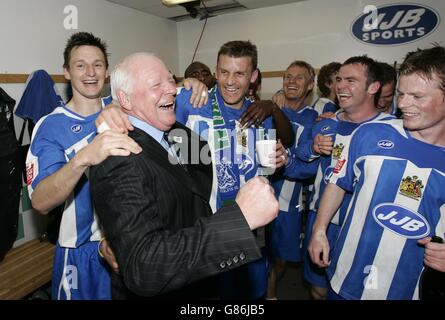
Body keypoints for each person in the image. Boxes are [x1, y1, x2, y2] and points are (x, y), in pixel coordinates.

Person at [89, 52, 279, 299]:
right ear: (125, 98)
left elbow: (195, 189)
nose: (170, 89)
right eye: (156, 84)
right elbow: (145, 268)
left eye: (171, 80)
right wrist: (239, 220)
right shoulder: (119, 157)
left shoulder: (177, 134)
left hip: (197, 282)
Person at [308, 45, 445, 300]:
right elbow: (338, 182)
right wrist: (319, 229)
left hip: (407, 290)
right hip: (344, 278)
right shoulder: (370, 134)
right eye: (401, 94)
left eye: (417, 97)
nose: (403, 104)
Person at [25, 32, 142, 300]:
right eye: (80, 65)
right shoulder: (51, 126)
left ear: (107, 71)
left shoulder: (124, 111)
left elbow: (169, 99)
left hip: (128, 243)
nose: (90, 72)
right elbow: (41, 201)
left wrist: (193, 84)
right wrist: (83, 157)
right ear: (66, 72)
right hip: (79, 253)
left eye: (97, 64)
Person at [175, 40, 289, 299]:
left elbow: (265, 168)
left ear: (254, 76)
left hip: (251, 232)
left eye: (239, 73)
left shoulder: (260, 115)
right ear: (215, 71)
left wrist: (280, 160)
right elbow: (140, 103)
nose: (230, 81)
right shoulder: (191, 102)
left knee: (250, 295)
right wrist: (184, 83)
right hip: (204, 232)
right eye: (224, 72)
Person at [282, 55, 395, 299]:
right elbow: (302, 167)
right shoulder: (325, 124)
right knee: (319, 289)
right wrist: (308, 150)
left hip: (365, 228)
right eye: (339, 80)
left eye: (351, 80)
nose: (341, 86)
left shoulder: (393, 131)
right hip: (320, 220)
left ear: (373, 87)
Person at [266, 60, 318, 300]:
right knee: (261, 255)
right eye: (287, 76)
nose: (291, 81)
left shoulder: (314, 118)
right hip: (262, 195)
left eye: (299, 77)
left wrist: (287, 160)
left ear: (310, 85)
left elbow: (309, 168)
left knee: (281, 259)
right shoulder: (269, 108)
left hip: (290, 202)